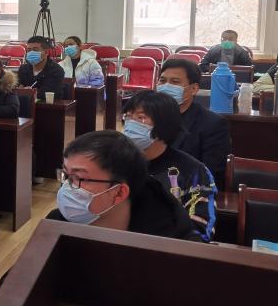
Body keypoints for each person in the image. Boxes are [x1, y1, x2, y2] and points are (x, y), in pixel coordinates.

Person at [46, 130, 202, 242]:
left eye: (79, 178)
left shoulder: (173, 244)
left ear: (120, 192)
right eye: (66, 175)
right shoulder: (56, 225)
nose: (67, 187)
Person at [123, 91, 216, 241]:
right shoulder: (114, 164)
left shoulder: (193, 171)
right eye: (128, 117)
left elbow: (201, 229)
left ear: (164, 124)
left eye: (141, 118)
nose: (130, 123)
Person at [156, 59, 230, 190]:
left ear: (194, 89)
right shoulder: (148, 118)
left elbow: (210, 174)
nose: (166, 86)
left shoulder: (213, 124)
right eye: (162, 81)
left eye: (175, 82)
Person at [18, 36, 65, 100]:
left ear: (46, 52)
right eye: (29, 50)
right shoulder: (23, 68)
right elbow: (17, 89)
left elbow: (48, 93)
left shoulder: (56, 70)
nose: (31, 53)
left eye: (35, 50)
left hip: (48, 105)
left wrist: (28, 92)